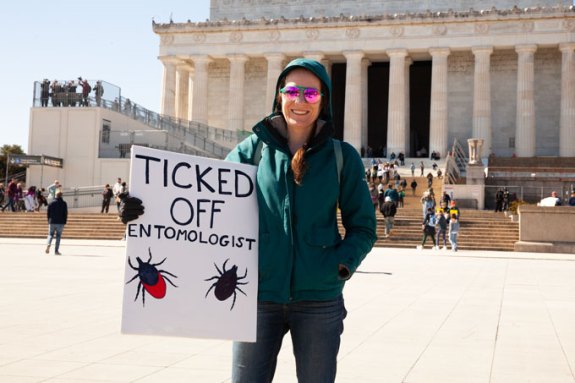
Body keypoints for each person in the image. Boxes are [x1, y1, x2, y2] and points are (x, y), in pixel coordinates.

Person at [121, 58, 377, 382]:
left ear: (323, 100)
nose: (300, 101)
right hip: (257, 298)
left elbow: (364, 227)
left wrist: (340, 264)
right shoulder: (253, 151)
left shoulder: (342, 157)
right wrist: (143, 207)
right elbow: (204, 200)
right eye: (293, 91)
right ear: (279, 96)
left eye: (310, 94)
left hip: (319, 299)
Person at [45, 191, 68, 255]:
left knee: (50, 234)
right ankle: (56, 251)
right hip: (60, 222)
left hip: (52, 221)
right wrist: (65, 221)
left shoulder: (51, 203)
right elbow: (65, 213)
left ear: (55, 195)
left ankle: (48, 244)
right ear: (61, 196)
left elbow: (48, 213)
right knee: (58, 236)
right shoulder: (64, 203)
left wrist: (48, 220)